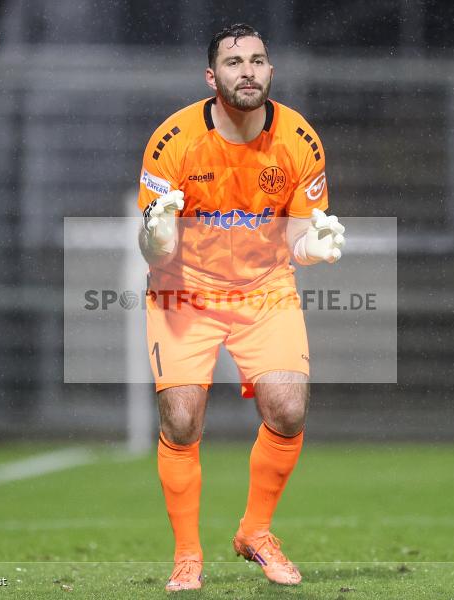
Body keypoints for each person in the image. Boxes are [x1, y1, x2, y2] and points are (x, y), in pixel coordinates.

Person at [136, 23, 346, 592]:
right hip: (185, 290)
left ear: (271, 71)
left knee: (289, 408)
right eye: (233, 62)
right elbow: (154, 243)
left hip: (264, 288)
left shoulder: (299, 140)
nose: (247, 71)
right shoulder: (171, 141)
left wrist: (315, 246)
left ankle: (255, 532)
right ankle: (187, 555)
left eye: (257, 60)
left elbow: (301, 237)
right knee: (181, 420)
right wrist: (155, 235)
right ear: (212, 77)